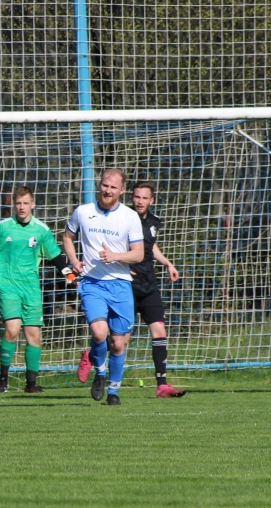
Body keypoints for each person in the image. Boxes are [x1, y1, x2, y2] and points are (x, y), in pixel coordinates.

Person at [61, 169, 144, 406]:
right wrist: (74, 261)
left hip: (120, 285)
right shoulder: (83, 212)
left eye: (113, 187)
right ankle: (99, 371)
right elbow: (67, 237)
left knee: (118, 343)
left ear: (121, 190)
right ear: (100, 185)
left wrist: (115, 255)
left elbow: (139, 254)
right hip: (92, 283)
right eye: (105, 185)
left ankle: (114, 391)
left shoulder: (129, 217)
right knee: (99, 333)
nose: (108, 190)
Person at [0, 186, 73, 394]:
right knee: (13, 330)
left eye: (25, 203)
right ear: (13, 205)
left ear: (33, 204)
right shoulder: (3, 227)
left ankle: (31, 384)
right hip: (7, 286)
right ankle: (2, 380)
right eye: (18, 203)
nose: (22, 207)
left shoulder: (41, 230)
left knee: (34, 336)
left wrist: (68, 273)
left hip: (31, 289)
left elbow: (56, 255)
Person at [126, 181, 184, 398]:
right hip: (127, 286)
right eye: (137, 197)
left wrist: (167, 263)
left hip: (149, 285)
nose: (140, 201)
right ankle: (92, 355)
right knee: (120, 340)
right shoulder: (123, 218)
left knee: (160, 331)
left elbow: (151, 246)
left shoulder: (153, 221)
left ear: (152, 200)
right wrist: (121, 267)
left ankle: (162, 385)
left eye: (144, 198)